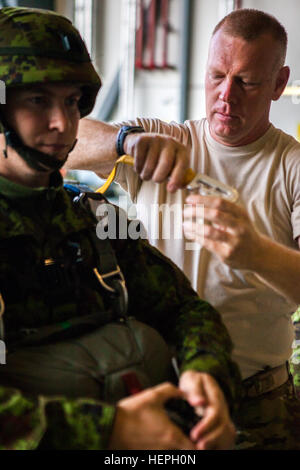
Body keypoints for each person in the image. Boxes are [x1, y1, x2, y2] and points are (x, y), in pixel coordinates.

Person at [0, 6, 240, 451]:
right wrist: (109, 428)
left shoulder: (93, 219)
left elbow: (187, 310)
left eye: (71, 102)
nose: (61, 123)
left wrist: (204, 373)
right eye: (37, 100)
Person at [66, 8, 300, 449]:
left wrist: (255, 254)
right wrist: (124, 142)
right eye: (216, 76)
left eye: (246, 82)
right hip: (163, 392)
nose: (225, 96)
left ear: (278, 82)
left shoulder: (292, 168)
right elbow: (61, 144)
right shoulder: (168, 142)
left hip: (257, 403)